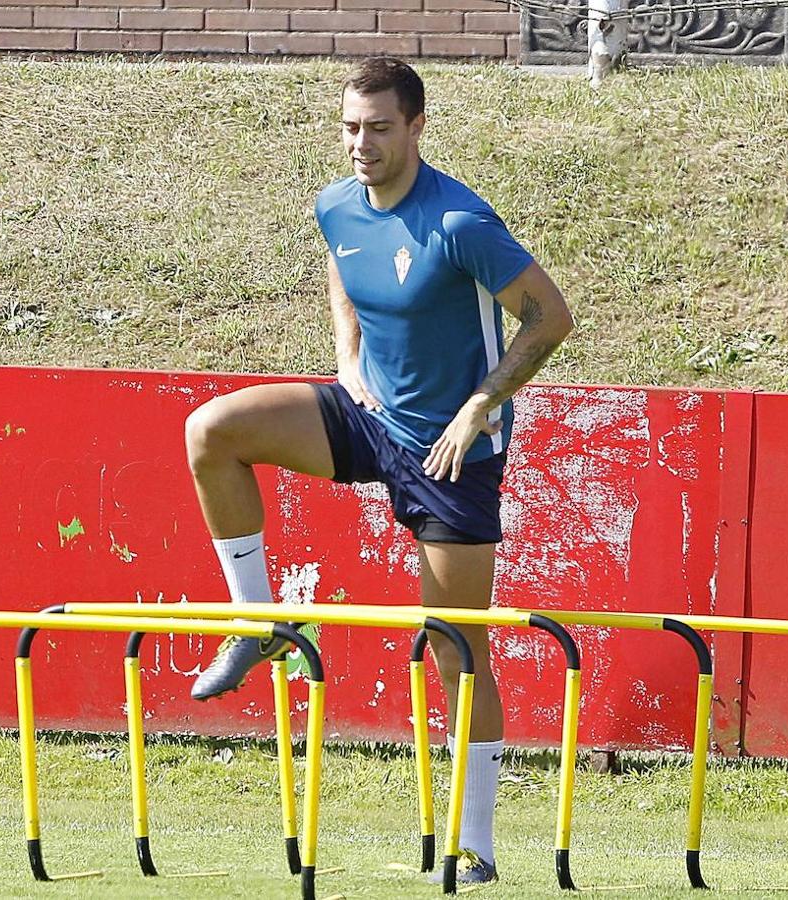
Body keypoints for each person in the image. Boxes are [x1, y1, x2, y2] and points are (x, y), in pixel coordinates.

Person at [183, 57, 574, 884]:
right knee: (212, 431)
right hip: (368, 418)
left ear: (418, 127)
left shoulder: (460, 221)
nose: (362, 144)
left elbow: (550, 316)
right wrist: (346, 352)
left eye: (380, 128)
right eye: (351, 127)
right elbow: (342, 259)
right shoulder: (335, 203)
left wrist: (481, 404)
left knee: (455, 650)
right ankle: (259, 626)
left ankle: (477, 845)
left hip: (450, 453)